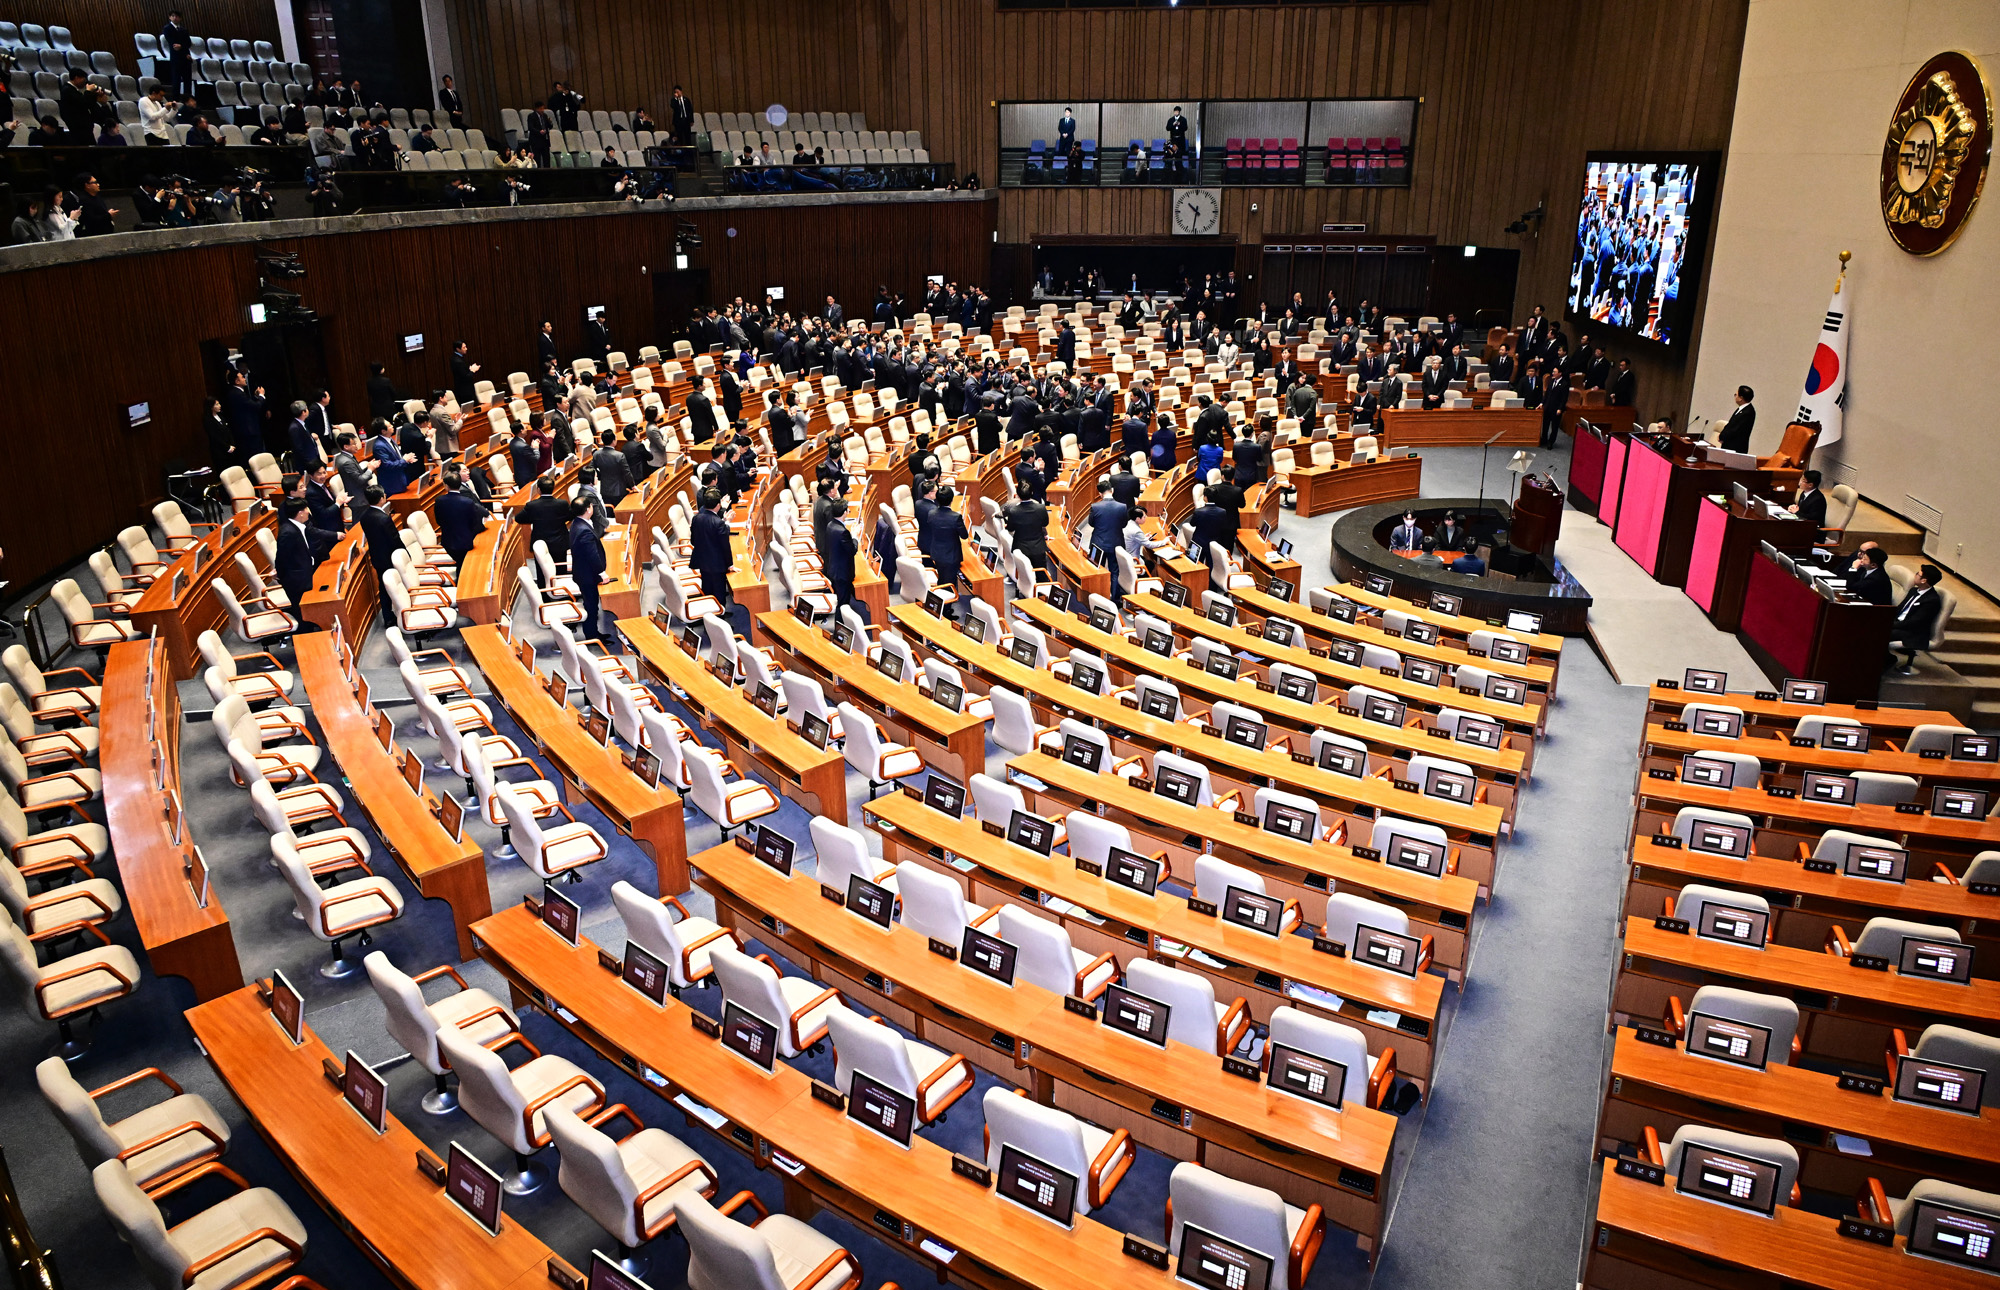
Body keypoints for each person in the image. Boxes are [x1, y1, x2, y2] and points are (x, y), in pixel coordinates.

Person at [274, 498, 334, 622]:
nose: (308, 512)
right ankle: (306, 630)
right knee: (302, 612)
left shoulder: (298, 526)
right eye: (306, 509)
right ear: (300, 513)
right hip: (297, 580)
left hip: (304, 571)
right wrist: (280, 574)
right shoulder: (287, 533)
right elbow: (281, 558)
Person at [357, 487, 402, 627]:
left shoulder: (364, 516)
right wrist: (405, 554)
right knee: (394, 586)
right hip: (389, 558)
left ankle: (388, 616)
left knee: (383, 588)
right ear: (381, 498)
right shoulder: (384, 518)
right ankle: (399, 614)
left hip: (377, 557)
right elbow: (394, 539)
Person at [1887, 564, 1944, 672]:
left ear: (1923, 580)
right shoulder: (1913, 591)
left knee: (1881, 633)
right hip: (1900, 624)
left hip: (1913, 632)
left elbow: (1915, 622)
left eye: (1918, 574)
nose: (1915, 575)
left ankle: (1888, 660)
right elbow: (1900, 609)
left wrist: (1891, 624)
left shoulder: (1932, 600)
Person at [514, 476, 571, 583]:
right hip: (559, 542)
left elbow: (518, 518)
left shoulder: (532, 506)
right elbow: (570, 516)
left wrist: (533, 519)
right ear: (553, 488)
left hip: (540, 543)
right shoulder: (562, 504)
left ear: (538, 489)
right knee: (560, 571)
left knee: (542, 572)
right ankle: (562, 588)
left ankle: (543, 590)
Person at [924, 487, 969, 618]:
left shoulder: (931, 513)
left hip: (937, 552)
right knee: (949, 583)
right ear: (951, 500)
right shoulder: (956, 517)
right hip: (951, 555)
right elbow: (964, 536)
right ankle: (946, 611)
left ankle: (938, 606)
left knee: (942, 579)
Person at [567, 498, 607, 640]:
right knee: (591, 605)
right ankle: (592, 636)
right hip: (587, 575)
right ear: (588, 509)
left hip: (583, 571)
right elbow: (592, 555)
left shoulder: (577, 523)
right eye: (591, 506)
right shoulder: (584, 530)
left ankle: (592, 633)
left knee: (591, 604)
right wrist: (602, 573)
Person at [689, 486, 734, 609]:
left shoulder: (696, 518)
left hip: (703, 561)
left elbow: (693, 541)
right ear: (718, 505)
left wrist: (723, 521)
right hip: (717, 564)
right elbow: (725, 545)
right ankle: (719, 615)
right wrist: (730, 565)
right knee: (719, 594)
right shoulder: (718, 523)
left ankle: (709, 613)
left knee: (707, 590)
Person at [822, 497, 858, 616]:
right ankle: (840, 625)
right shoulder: (843, 532)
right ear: (844, 512)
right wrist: (855, 537)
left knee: (840, 599)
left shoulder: (830, 525)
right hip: (842, 573)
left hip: (833, 569)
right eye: (847, 510)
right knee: (843, 604)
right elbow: (852, 550)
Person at [1003, 480, 1049, 572]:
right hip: (1038, 548)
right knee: (1041, 575)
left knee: (1023, 574)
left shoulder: (1013, 511)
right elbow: (1045, 523)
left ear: (1017, 495)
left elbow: (1011, 528)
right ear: (1032, 493)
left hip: (1020, 549)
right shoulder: (1041, 508)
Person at [221, 370, 268, 457]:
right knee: (256, 455)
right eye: (242, 377)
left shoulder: (237, 392)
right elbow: (255, 407)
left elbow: (248, 405)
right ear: (237, 381)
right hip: (248, 432)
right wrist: (262, 396)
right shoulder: (237, 393)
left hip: (247, 431)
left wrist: (256, 397)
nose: (245, 379)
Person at [1087, 478, 1130, 565]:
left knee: (1096, 569)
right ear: (1112, 490)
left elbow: (1091, 523)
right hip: (1116, 544)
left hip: (1098, 544)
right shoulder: (1122, 507)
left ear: (1100, 494)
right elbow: (1124, 525)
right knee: (1115, 570)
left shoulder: (1095, 507)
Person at [160, 10, 193, 99]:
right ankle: (176, 99)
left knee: (187, 80)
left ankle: (188, 99)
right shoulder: (167, 28)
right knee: (176, 80)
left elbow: (188, 43)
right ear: (170, 17)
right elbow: (173, 43)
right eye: (173, 16)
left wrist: (182, 47)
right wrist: (183, 47)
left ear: (180, 18)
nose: (175, 18)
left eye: (177, 16)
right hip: (176, 57)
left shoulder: (184, 30)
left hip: (186, 57)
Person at [1789, 469, 1827, 539]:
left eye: (1803, 481)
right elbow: (1802, 510)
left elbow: (1812, 519)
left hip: (1813, 532)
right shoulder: (1804, 493)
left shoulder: (1818, 499)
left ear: (1810, 485)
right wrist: (1794, 508)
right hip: (1802, 526)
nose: (1800, 482)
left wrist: (1797, 512)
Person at [1717, 385, 1756, 453]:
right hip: (1729, 446)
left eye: (1736, 394)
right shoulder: (1742, 409)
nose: (1735, 396)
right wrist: (1721, 435)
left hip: (1736, 448)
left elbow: (1734, 429)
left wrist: (1722, 437)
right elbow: (1730, 424)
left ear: (1741, 398)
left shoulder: (1748, 412)